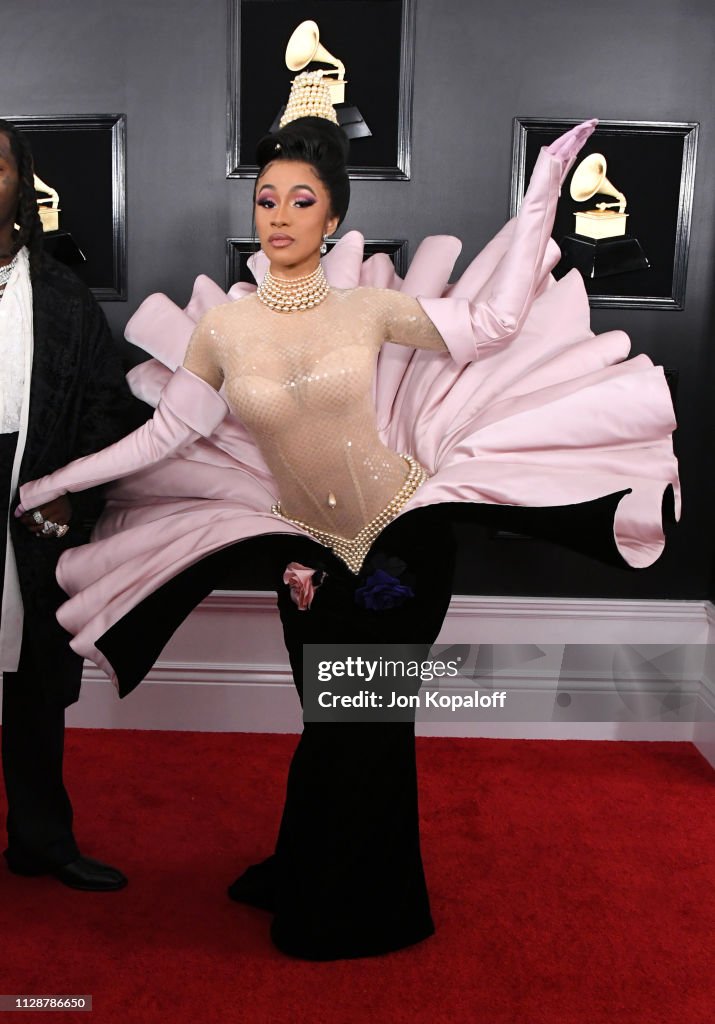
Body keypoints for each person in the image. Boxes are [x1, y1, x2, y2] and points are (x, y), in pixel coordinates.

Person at [15, 78, 679, 955]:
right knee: (330, 724)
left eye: (301, 200)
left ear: (331, 221)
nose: (279, 214)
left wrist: (538, 203)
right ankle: (310, 866)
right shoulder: (230, 333)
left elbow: (489, 321)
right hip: (311, 555)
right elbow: (165, 437)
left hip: (403, 542)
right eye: (266, 198)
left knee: (363, 726)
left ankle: (368, 911)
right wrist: (49, 478)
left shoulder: (366, 310)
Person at [0, 118, 131, 891]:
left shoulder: (61, 294)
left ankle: (41, 843)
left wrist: (69, 503)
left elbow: (105, 409)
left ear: (22, 184)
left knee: (31, 688)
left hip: (32, 504)